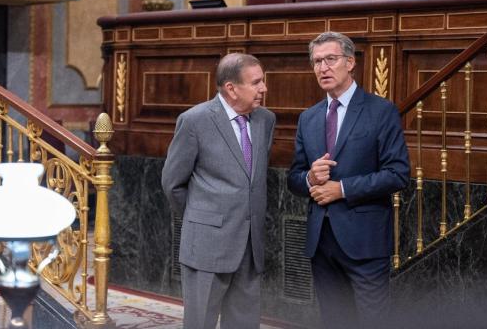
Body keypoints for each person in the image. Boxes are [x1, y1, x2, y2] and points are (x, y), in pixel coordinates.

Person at [287, 32, 410, 328]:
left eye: (330, 59)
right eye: (317, 61)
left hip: (364, 241)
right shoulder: (309, 118)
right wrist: (310, 178)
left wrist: (341, 189)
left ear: (350, 62)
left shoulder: (381, 111)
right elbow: (294, 177)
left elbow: (398, 174)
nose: (323, 68)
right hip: (321, 242)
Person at [161, 53, 276, 329]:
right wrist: (201, 220)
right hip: (207, 245)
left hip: (250, 245)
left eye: (263, 81)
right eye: (256, 82)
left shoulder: (266, 120)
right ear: (231, 88)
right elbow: (172, 182)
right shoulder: (194, 121)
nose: (264, 89)